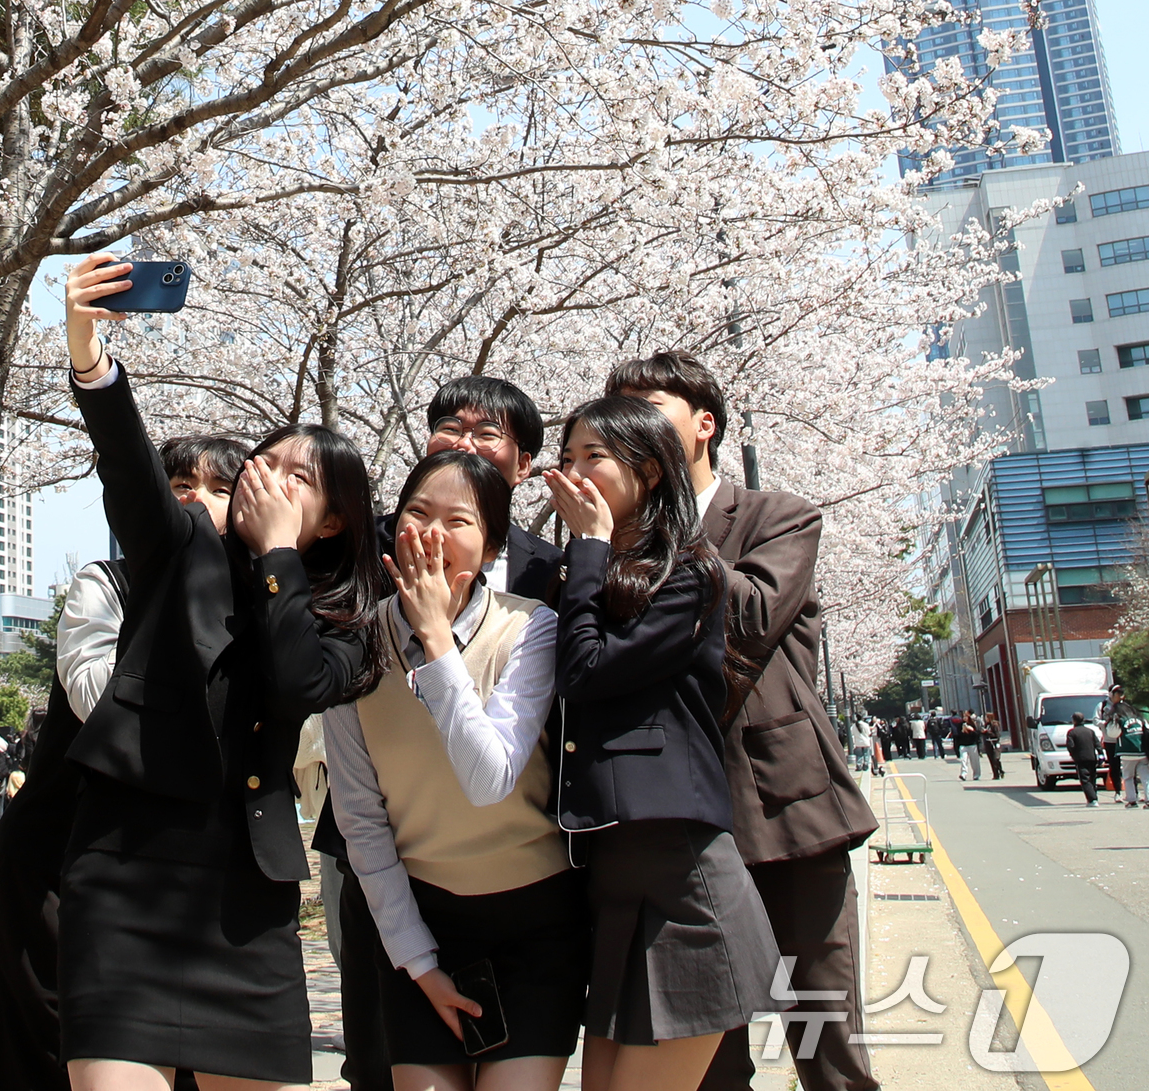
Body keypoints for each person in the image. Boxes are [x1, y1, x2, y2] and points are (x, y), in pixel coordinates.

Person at [58, 251, 385, 1091]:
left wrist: (277, 556)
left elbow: (297, 683)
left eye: (297, 477)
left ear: (336, 519)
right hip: (128, 870)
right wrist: (90, 355)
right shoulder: (184, 545)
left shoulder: (345, 623)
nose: (265, 478)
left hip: (248, 895)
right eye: (263, 462)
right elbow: (129, 471)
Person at [604, 352, 876, 1091]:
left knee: (829, 1045)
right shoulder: (606, 544)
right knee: (710, 1059)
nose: (628, 426)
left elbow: (749, 618)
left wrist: (654, 534)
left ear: (704, 423)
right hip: (678, 826)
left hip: (788, 811)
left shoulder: (777, 516)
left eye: (647, 407)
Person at [0, 429, 249, 1091]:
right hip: (58, 865)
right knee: (54, 1052)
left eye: (219, 489)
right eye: (180, 487)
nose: (196, 503)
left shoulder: (258, 606)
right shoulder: (104, 585)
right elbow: (102, 700)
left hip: (179, 876)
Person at [323, 373, 562, 1091]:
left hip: (532, 909)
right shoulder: (355, 636)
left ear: (493, 540)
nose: (431, 532)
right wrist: (417, 959)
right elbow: (359, 812)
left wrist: (437, 642)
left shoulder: (538, 609)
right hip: (409, 902)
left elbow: (492, 778)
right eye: (416, 512)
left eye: (458, 521)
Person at [546, 395, 787, 1091]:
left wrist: (588, 545)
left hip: (681, 874)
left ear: (650, 471)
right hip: (615, 876)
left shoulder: (691, 572)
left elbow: (584, 669)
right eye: (569, 457)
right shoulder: (587, 572)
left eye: (595, 454)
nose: (576, 469)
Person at [1098, 685, 1130, 801]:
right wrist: (1105, 724)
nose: (1120, 697)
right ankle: (1118, 791)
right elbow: (1095, 720)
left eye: (1121, 695)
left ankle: (1133, 792)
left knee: (1128, 764)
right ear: (1111, 694)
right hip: (1110, 740)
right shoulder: (1103, 706)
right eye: (1117, 694)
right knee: (1114, 765)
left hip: (1124, 739)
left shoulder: (1125, 706)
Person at [1115, 703, 1147, 808]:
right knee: (1146, 777)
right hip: (1142, 751)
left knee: (1128, 777)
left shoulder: (1120, 720)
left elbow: (1112, 733)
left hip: (1127, 753)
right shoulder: (1140, 719)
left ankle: (1132, 800)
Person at [1066, 714, 1100, 806]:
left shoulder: (1072, 733)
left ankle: (1092, 799)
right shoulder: (1090, 731)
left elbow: (1070, 746)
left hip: (1081, 759)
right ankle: (1094, 796)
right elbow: (1097, 744)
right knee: (1092, 778)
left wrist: (1073, 755)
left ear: (1074, 720)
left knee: (1085, 779)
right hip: (1092, 757)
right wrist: (1101, 754)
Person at [955, 712, 982, 784]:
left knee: (974, 761)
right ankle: (963, 774)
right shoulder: (960, 725)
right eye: (963, 717)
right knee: (964, 760)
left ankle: (976, 774)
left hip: (972, 745)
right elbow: (957, 735)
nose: (964, 718)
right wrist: (962, 731)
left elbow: (977, 734)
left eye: (966, 717)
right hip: (963, 745)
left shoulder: (973, 724)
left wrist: (971, 730)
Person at [980, 713, 1004, 782]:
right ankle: (995, 774)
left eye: (986, 717)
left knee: (995, 759)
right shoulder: (986, 725)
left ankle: (1000, 770)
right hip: (988, 744)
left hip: (994, 744)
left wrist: (988, 732)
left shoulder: (994, 725)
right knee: (991, 760)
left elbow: (997, 735)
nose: (985, 719)